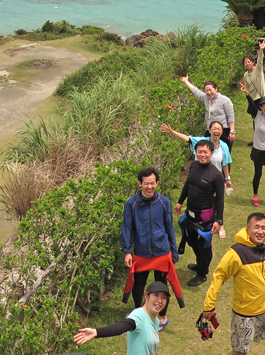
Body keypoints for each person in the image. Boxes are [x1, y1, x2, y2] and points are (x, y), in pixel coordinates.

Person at [200, 176, 265, 355]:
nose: (261, 231)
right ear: (247, 229)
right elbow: (218, 277)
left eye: (263, 228)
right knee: (240, 353)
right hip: (244, 315)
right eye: (256, 227)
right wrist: (208, 306)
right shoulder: (235, 254)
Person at [121, 167, 184, 326]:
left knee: (162, 287)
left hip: (162, 251)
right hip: (141, 252)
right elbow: (127, 227)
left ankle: (161, 316)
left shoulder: (164, 202)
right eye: (146, 183)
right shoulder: (132, 203)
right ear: (140, 184)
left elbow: (169, 227)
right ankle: (138, 313)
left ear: (157, 183)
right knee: (138, 285)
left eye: (153, 183)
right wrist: (127, 251)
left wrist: (174, 252)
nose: (150, 187)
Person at [74, 280, 171, 355]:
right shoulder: (139, 315)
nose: (160, 300)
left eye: (164, 297)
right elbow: (123, 326)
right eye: (156, 295)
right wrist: (97, 332)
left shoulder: (156, 321)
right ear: (146, 296)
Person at [176, 140, 226, 286]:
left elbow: (220, 199)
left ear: (212, 153)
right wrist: (180, 201)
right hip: (190, 213)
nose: (202, 155)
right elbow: (188, 185)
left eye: (205, 152)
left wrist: (219, 221)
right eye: (199, 152)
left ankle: (202, 273)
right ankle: (200, 263)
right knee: (191, 240)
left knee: (204, 245)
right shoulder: (194, 165)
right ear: (196, 152)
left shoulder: (216, 175)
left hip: (205, 217)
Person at [160, 121, 232, 190]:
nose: (217, 131)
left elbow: (225, 164)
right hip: (199, 178)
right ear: (209, 131)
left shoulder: (224, 146)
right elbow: (187, 139)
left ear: (222, 132)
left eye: (219, 129)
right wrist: (172, 132)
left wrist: (227, 178)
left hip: (214, 180)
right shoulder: (202, 141)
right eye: (214, 129)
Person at [180, 75, 236, 158]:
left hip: (223, 131)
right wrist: (186, 81)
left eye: (210, 90)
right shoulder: (206, 98)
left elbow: (230, 116)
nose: (209, 92)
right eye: (206, 91)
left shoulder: (225, 100)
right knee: (208, 153)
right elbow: (196, 91)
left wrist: (232, 131)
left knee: (223, 155)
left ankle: (224, 171)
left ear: (216, 89)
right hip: (210, 131)